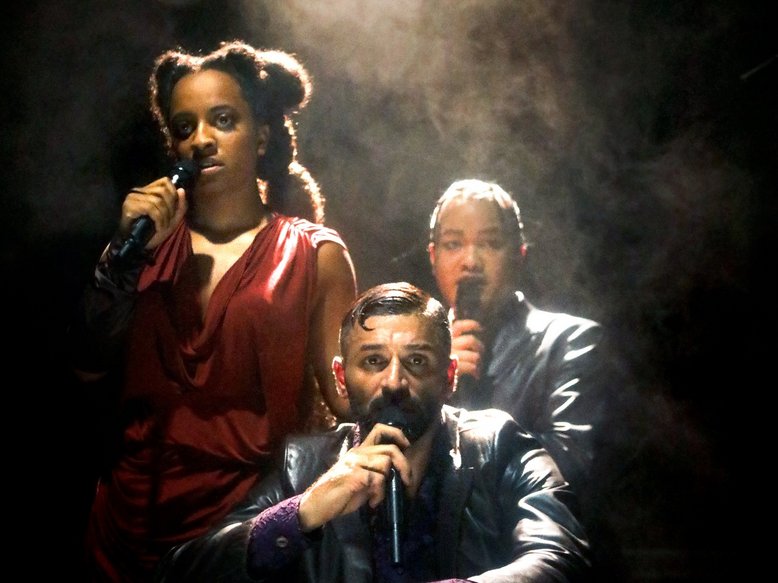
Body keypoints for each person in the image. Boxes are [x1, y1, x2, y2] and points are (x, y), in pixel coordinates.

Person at [65, 40, 357, 582]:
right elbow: (86, 366)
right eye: (185, 127)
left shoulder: (315, 254)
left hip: (246, 532)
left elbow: (346, 398)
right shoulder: (146, 244)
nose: (201, 139)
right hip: (125, 529)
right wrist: (123, 255)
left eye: (223, 120)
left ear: (261, 135)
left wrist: (413, 367)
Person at [154, 282, 592, 583]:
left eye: (417, 361)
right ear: (341, 379)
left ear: (449, 376)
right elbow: (183, 571)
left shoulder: (499, 444)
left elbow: (562, 557)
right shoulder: (304, 465)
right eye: (373, 361)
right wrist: (303, 511)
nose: (394, 381)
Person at [427, 179, 605, 495]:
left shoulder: (570, 342)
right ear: (433, 256)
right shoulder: (415, 357)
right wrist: (435, 386)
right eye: (453, 244)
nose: (470, 262)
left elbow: (569, 463)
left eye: (490, 243)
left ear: (519, 255)